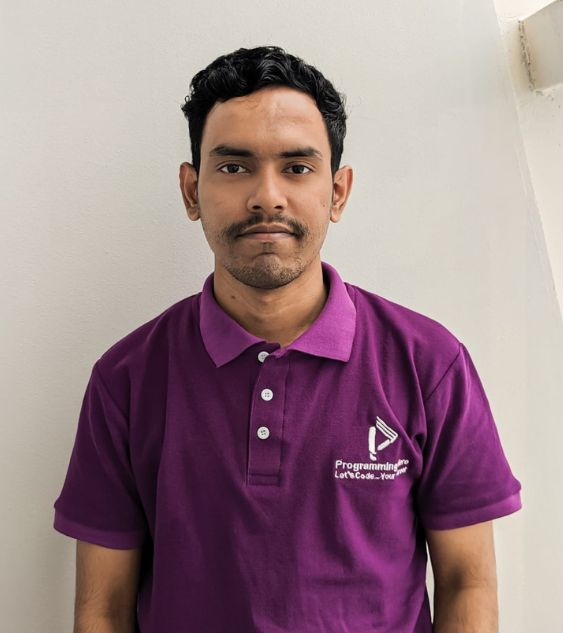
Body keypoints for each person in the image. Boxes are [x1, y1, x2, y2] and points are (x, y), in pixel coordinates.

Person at [53, 45, 523, 633]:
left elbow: (467, 583)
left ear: (338, 192)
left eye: (297, 167)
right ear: (191, 191)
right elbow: (102, 608)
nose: (267, 196)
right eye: (234, 167)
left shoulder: (429, 364)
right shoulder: (126, 378)